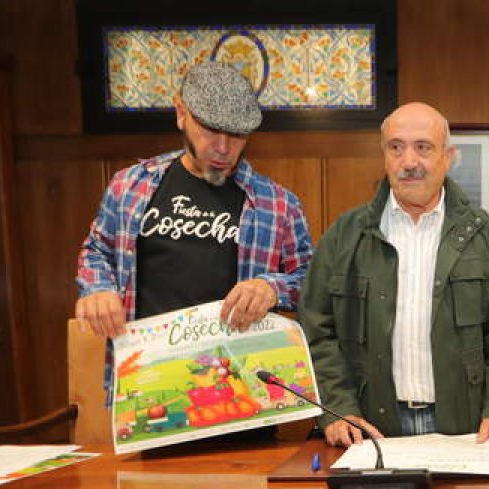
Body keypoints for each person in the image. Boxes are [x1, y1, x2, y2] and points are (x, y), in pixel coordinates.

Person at [299, 102, 489, 450]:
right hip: (368, 429)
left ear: (448, 157)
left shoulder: (480, 234)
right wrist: (337, 407)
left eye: (423, 147)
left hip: (464, 428)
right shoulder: (345, 234)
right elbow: (317, 332)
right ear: (384, 156)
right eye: (396, 147)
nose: (409, 162)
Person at [75, 61, 313, 392]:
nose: (223, 148)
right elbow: (96, 249)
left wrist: (271, 287)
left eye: (237, 135)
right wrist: (98, 287)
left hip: (241, 387)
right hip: (147, 382)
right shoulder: (129, 186)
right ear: (181, 113)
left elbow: (312, 282)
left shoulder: (279, 204)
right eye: (211, 130)